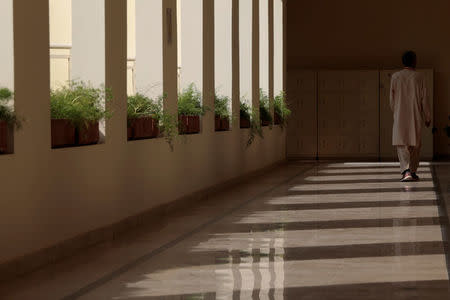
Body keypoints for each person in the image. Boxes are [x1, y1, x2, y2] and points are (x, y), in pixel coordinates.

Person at [390, 51, 431, 182]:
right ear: (414, 61)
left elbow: (391, 99)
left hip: (400, 114)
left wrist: (396, 112)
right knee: (415, 144)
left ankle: (406, 171)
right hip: (415, 114)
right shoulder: (419, 77)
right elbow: (425, 99)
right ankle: (412, 171)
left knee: (402, 144)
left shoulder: (395, 77)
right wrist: (427, 117)